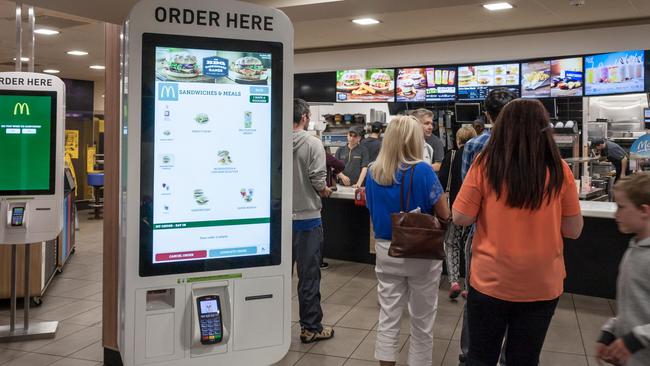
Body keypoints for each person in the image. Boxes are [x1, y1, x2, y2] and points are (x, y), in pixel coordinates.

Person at [452, 99, 584, 366]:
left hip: (491, 280)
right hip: (542, 283)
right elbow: (573, 230)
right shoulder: (560, 170)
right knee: (524, 359)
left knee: (480, 357)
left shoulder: (485, 165)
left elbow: (461, 217)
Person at [365, 115, 450, 366]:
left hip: (385, 249)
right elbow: (444, 213)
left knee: (388, 315)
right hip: (420, 250)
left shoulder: (373, 171)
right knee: (422, 320)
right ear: (414, 140)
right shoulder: (422, 170)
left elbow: (371, 207)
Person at [457, 88, 517, 366]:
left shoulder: (474, 146)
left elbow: (467, 200)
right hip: (519, 237)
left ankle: (470, 354)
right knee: (515, 302)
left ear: (487, 114)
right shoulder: (527, 144)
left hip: (481, 232)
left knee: (477, 299)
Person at [595, 172, 650, 366]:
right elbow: (636, 306)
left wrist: (635, 339)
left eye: (621, 207)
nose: (616, 214)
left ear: (644, 210)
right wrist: (611, 330)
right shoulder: (635, 248)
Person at [292, 98, 334, 343]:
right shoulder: (313, 143)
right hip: (307, 219)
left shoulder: (274, 139)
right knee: (308, 276)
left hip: (278, 220)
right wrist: (325, 190)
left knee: (277, 275)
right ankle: (310, 328)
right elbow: (318, 180)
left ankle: (271, 327)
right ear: (306, 117)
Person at [437, 126, 476, 299]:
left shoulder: (451, 156)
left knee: (451, 244)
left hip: (453, 208)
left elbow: (441, 183)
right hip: (472, 212)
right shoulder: (479, 157)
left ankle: (453, 282)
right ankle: (469, 286)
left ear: (457, 141)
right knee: (470, 248)